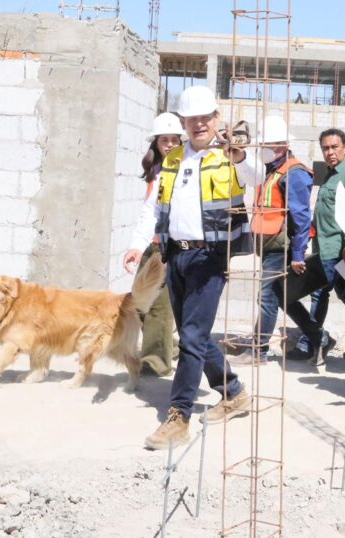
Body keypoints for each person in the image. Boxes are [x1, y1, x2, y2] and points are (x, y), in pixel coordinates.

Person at [123, 86, 257, 450]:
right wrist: (137, 244)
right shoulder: (173, 159)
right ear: (183, 122)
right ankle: (233, 391)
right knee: (191, 333)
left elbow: (257, 177)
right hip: (176, 255)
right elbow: (153, 208)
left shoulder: (230, 156)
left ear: (216, 118)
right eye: (191, 119)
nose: (198, 124)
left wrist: (240, 156)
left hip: (210, 258)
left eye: (204, 118)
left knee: (193, 337)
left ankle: (178, 416)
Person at [284, 128, 345, 364]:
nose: (330, 152)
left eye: (334, 147)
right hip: (324, 245)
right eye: (326, 148)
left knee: (318, 292)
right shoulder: (331, 174)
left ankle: (310, 343)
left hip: (338, 248)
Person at [231, 116, 314, 366]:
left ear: (280, 146)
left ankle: (258, 351)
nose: (262, 149)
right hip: (269, 245)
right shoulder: (272, 169)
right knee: (282, 297)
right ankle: (320, 336)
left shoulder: (294, 173)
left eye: (265, 145)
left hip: (281, 246)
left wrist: (298, 254)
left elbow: (302, 218)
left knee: (267, 297)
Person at [126, 112, 184, 376]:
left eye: (174, 139)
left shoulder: (184, 169)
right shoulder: (156, 171)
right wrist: (137, 246)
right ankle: (168, 348)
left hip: (170, 246)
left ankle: (155, 363)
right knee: (138, 299)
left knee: (159, 306)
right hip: (153, 243)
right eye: (164, 140)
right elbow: (149, 211)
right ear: (156, 143)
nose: (170, 144)